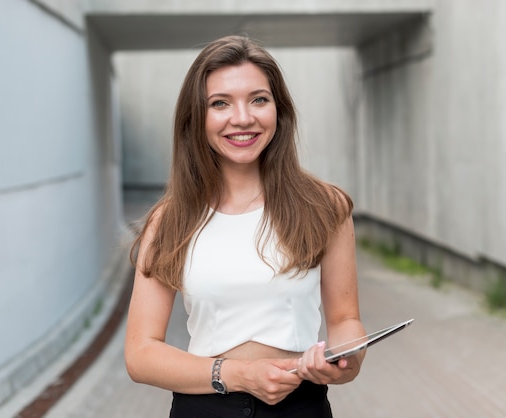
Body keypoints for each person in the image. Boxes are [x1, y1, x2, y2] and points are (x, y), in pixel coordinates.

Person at [125, 35, 366, 418]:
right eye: (220, 103)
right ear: (196, 118)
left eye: (258, 99)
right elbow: (140, 353)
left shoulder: (324, 207)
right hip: (205, 406)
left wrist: (346, 361)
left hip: (300, 407)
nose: (242, 118)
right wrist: (239, 375)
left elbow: (344, 320)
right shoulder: (170, 221)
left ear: (278, 110)